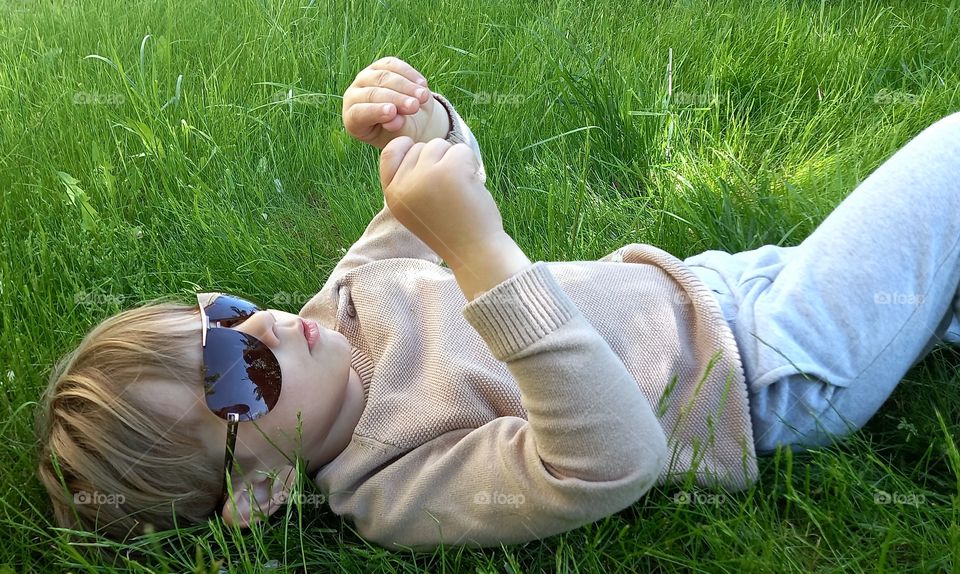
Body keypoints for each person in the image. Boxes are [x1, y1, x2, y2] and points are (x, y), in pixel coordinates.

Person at [36, 56, 960, 552]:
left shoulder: (343, 300)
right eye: (242, 374)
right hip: (772, 369)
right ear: (263, 492)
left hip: (726, 280)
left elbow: (438, 183)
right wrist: (477, 251)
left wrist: (411, 125)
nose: (262, 328)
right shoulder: (393, 490)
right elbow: (612, 461)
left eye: (227, 315)